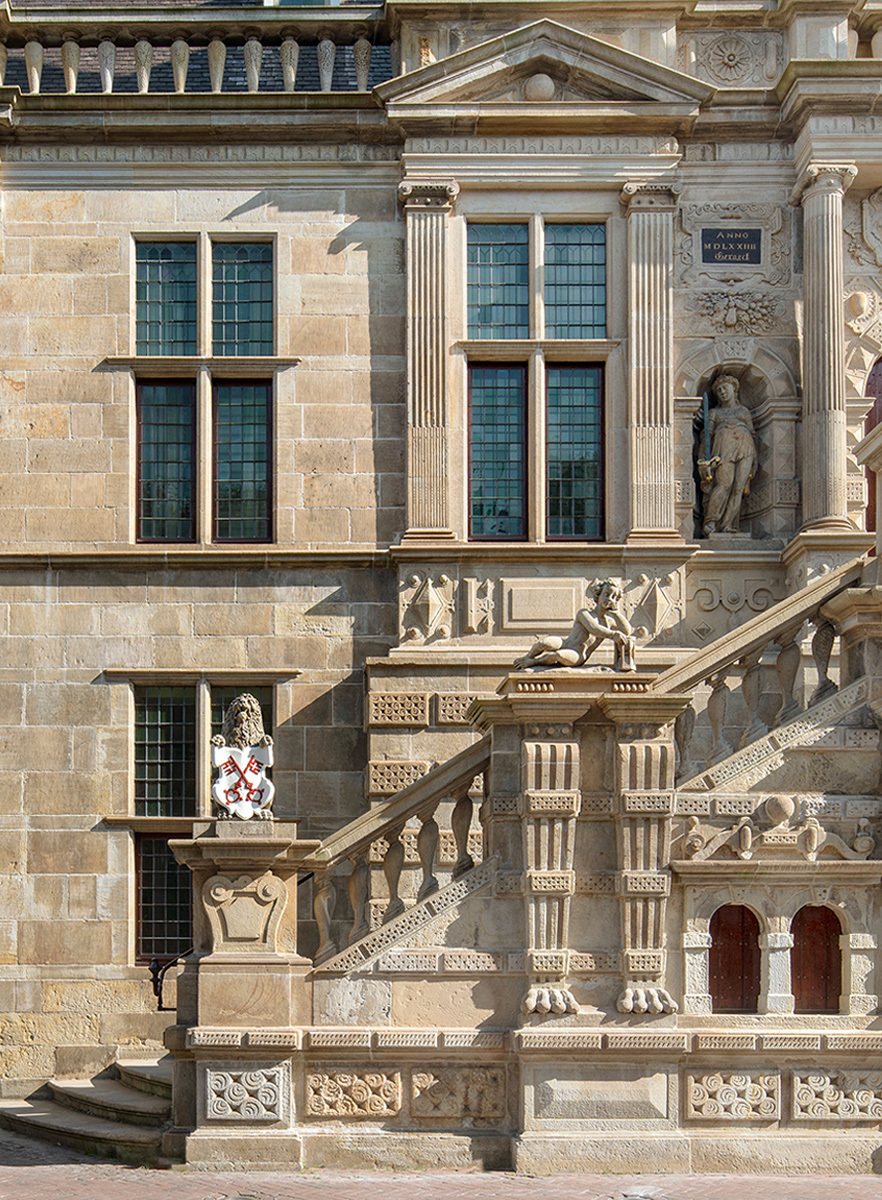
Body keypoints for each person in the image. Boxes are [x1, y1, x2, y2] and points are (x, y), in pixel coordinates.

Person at [514, 579, 637, 673]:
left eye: (614, 597)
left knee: (558, 655)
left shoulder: (609, 622)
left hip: (578, 654)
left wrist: (616, 613)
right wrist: (612, 634)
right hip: (564, 643)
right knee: (544, 643)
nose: (610, 599)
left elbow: (627, 630)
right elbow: (593, 628)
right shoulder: (584, 613)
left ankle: (533, 662)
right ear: (598, 596)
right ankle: (527, 657)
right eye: (607, 594)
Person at [699, 373, 758, 536]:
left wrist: (755, 459)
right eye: (718, 390)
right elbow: (706, 436)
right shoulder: (714, 413)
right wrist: (703, 458)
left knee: (738, 487)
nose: (722, 392)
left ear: (734, 389)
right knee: (724, 483)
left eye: (725, 388)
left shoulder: (743, 411)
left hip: (745, 447)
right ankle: (711, 521)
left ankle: (728, 525)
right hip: (722, 448)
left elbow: (752, 434)